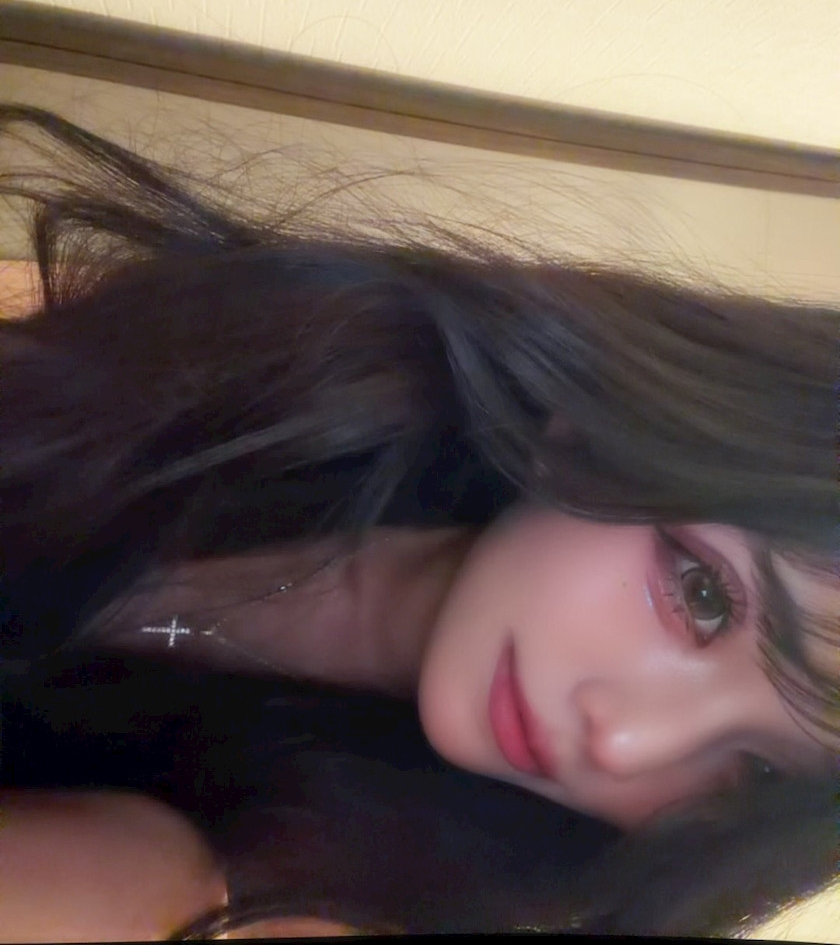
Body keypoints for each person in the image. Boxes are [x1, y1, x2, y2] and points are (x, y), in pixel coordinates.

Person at [0, 104, 836, 939]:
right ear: (619, 426)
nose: (624, 743)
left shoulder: (303, 894)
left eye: (754, 774)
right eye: (702, 597)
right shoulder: (280, 381)